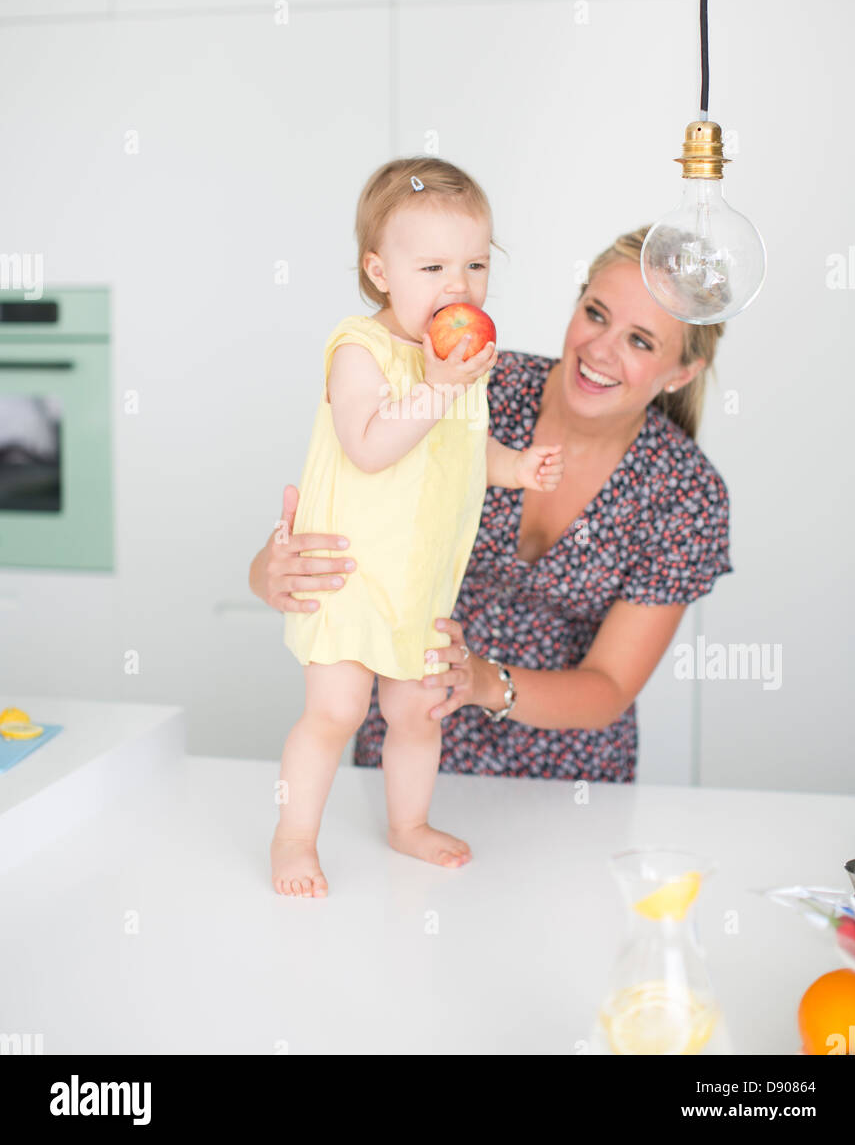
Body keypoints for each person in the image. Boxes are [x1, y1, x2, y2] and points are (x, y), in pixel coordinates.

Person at [250, 222, 733, 886]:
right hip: (405, 731)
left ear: (683, 370)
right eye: (595, 313)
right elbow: (358, 481)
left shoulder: (685, 492)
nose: (599, 349)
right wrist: (269, 569)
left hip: (566, 783)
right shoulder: (474, 380)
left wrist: (482, 681)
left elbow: (609, 688)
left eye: (641, 341)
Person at [272, 157, 564, 898]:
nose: (457, 286)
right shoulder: (359, 352)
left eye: (474, 263)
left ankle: (407, 824)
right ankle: (293, 835)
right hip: (347, 574)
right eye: (432, 266)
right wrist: (436, 386)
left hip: (421, 581)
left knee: (418, 711)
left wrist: (516, 468)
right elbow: (370, 447)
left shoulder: (460, 362)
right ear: (379, 272)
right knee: (334, 712)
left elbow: (459, 445)